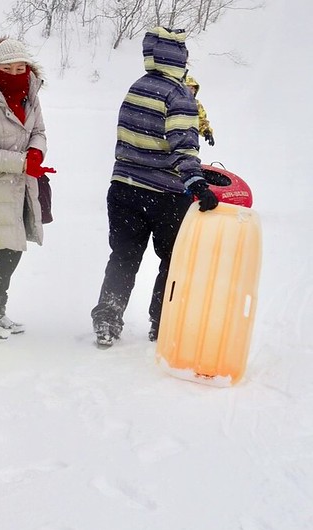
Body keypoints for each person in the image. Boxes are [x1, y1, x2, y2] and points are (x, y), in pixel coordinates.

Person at [90, 27, 219, 348]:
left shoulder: (137, 87)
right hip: (165, 196)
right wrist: (197, 183)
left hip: (123, 189)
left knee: (123, 256)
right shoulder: (179, 95)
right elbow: (183, 145)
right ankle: (162, 322)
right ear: (179, 57)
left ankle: (108, 317)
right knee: (173, 260)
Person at [0, 37, 54, 341]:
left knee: (13, 252)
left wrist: (36, 154)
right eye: (9, 68)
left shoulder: (31, 98)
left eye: (21, 67)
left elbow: (40, 132)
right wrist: (22, 162)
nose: (17, 73)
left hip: (22, 188)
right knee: (4, 254)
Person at [184, 74, 215, 146]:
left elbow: (201, 120)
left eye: (192, 88)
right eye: (188, 88)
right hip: (172, 137)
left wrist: (206, 131)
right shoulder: (174, 101)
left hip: (189, 139)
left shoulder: (196, 104)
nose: (190, 91)